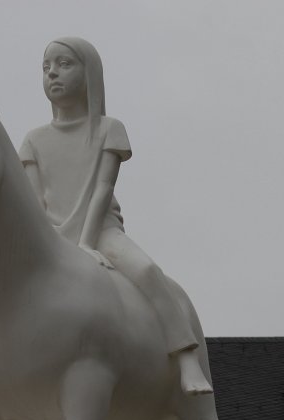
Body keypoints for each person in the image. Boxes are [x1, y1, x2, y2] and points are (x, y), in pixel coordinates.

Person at [20, 37, 212, 395]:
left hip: (102, 233)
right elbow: (34, 204)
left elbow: (102, 190)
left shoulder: (109, 129)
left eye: (64, 64)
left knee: (147, 271)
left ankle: (185, 355)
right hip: (50, 236)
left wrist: (86, 243)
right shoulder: (33, 140)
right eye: (46, 68)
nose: (52, 74)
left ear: (89, 72)